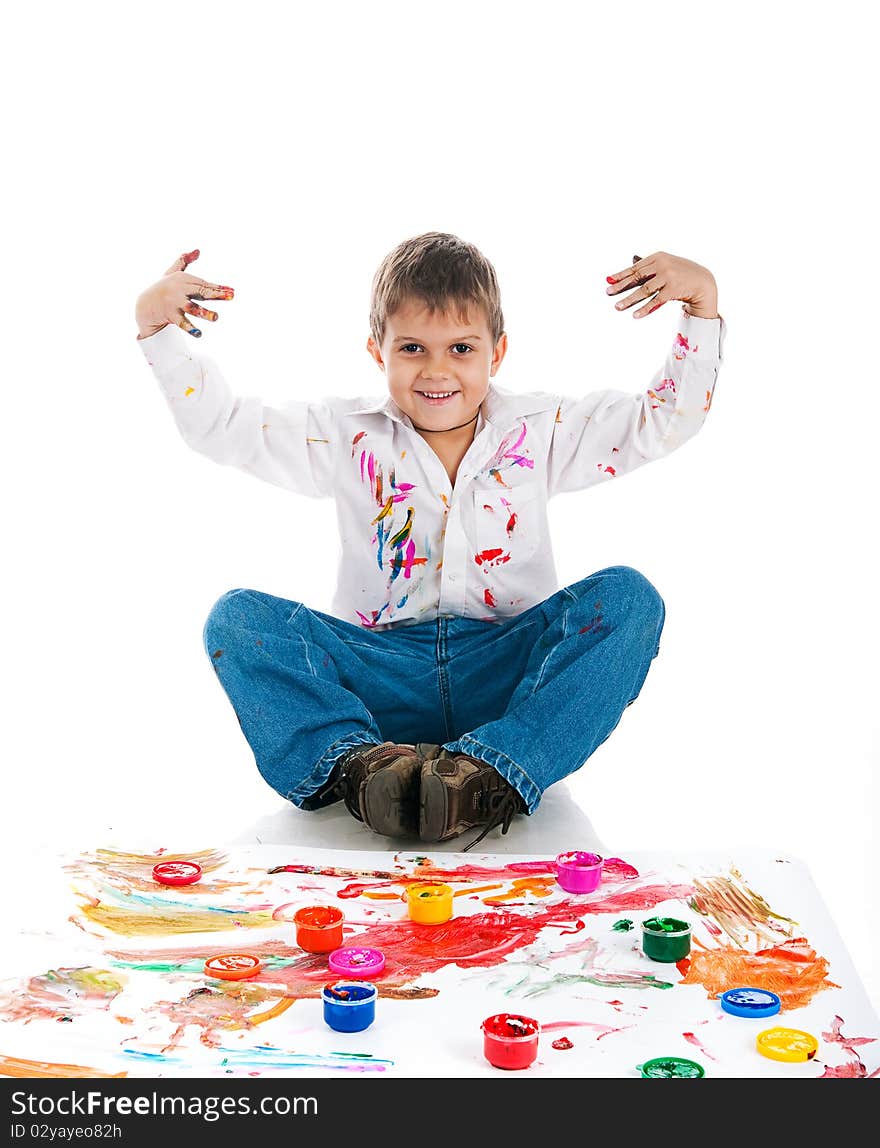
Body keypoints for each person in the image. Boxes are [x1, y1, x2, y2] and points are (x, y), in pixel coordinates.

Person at [134, 232, 725, 851]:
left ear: (497, 353)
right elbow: (224, 428)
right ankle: (361, 771)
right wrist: (157, 329)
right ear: (377, 351)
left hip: (504, 671)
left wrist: (701, 307)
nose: (437, 370)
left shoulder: (541, 431)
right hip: (381, 674)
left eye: (461, 348)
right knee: (237, 619)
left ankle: (491, 772)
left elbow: (661, 420)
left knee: (631, 598)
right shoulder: (344, 435)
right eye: (412, 348)